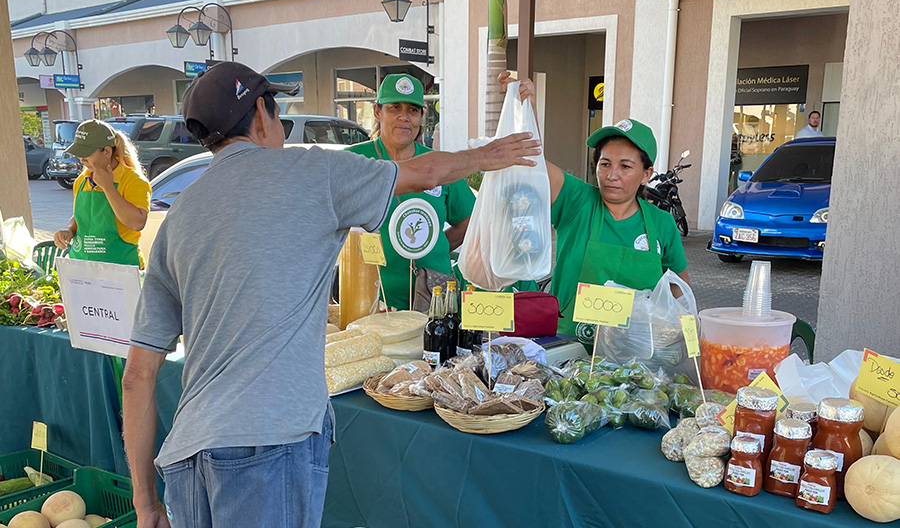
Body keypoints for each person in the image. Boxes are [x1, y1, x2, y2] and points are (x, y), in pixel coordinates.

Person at [121, 62, 539, 528]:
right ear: (261, 114)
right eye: (278, 114)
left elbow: (137, 375)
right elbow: (422, 172)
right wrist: (489, 155)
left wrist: (145, 502)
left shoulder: (178, 217)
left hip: (187, 453)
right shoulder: (312, 171)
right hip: (269, 444)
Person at [501, 73, 689, 347]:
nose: (612, 175)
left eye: (625, 166)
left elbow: (679, 287)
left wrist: (661, 321)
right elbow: (535, 165)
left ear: (647, 173)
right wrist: (526, 106)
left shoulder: (661, 223)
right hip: (569, 342)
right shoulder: (578, 201)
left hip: (635, 350)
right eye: (605, 163)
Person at [347, 74, 475, 311]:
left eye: (413, 110)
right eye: (394, 108)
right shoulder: (353, 160)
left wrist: (433, 247)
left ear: (422, 115)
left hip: (434, 295)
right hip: (372, 298)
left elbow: (469, 220)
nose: (403, 117)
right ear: (377, 112)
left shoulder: (436, 165)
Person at [53, 119, 151, 268]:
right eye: (78, 153)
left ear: (107, 151)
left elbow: (137, 222)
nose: (82, 159)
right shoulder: (82, 180)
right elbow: (82, 215)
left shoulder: (133, 180)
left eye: (86, 153)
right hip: (84, 267)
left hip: (121, 270)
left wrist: (108, 187)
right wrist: (69, 229)